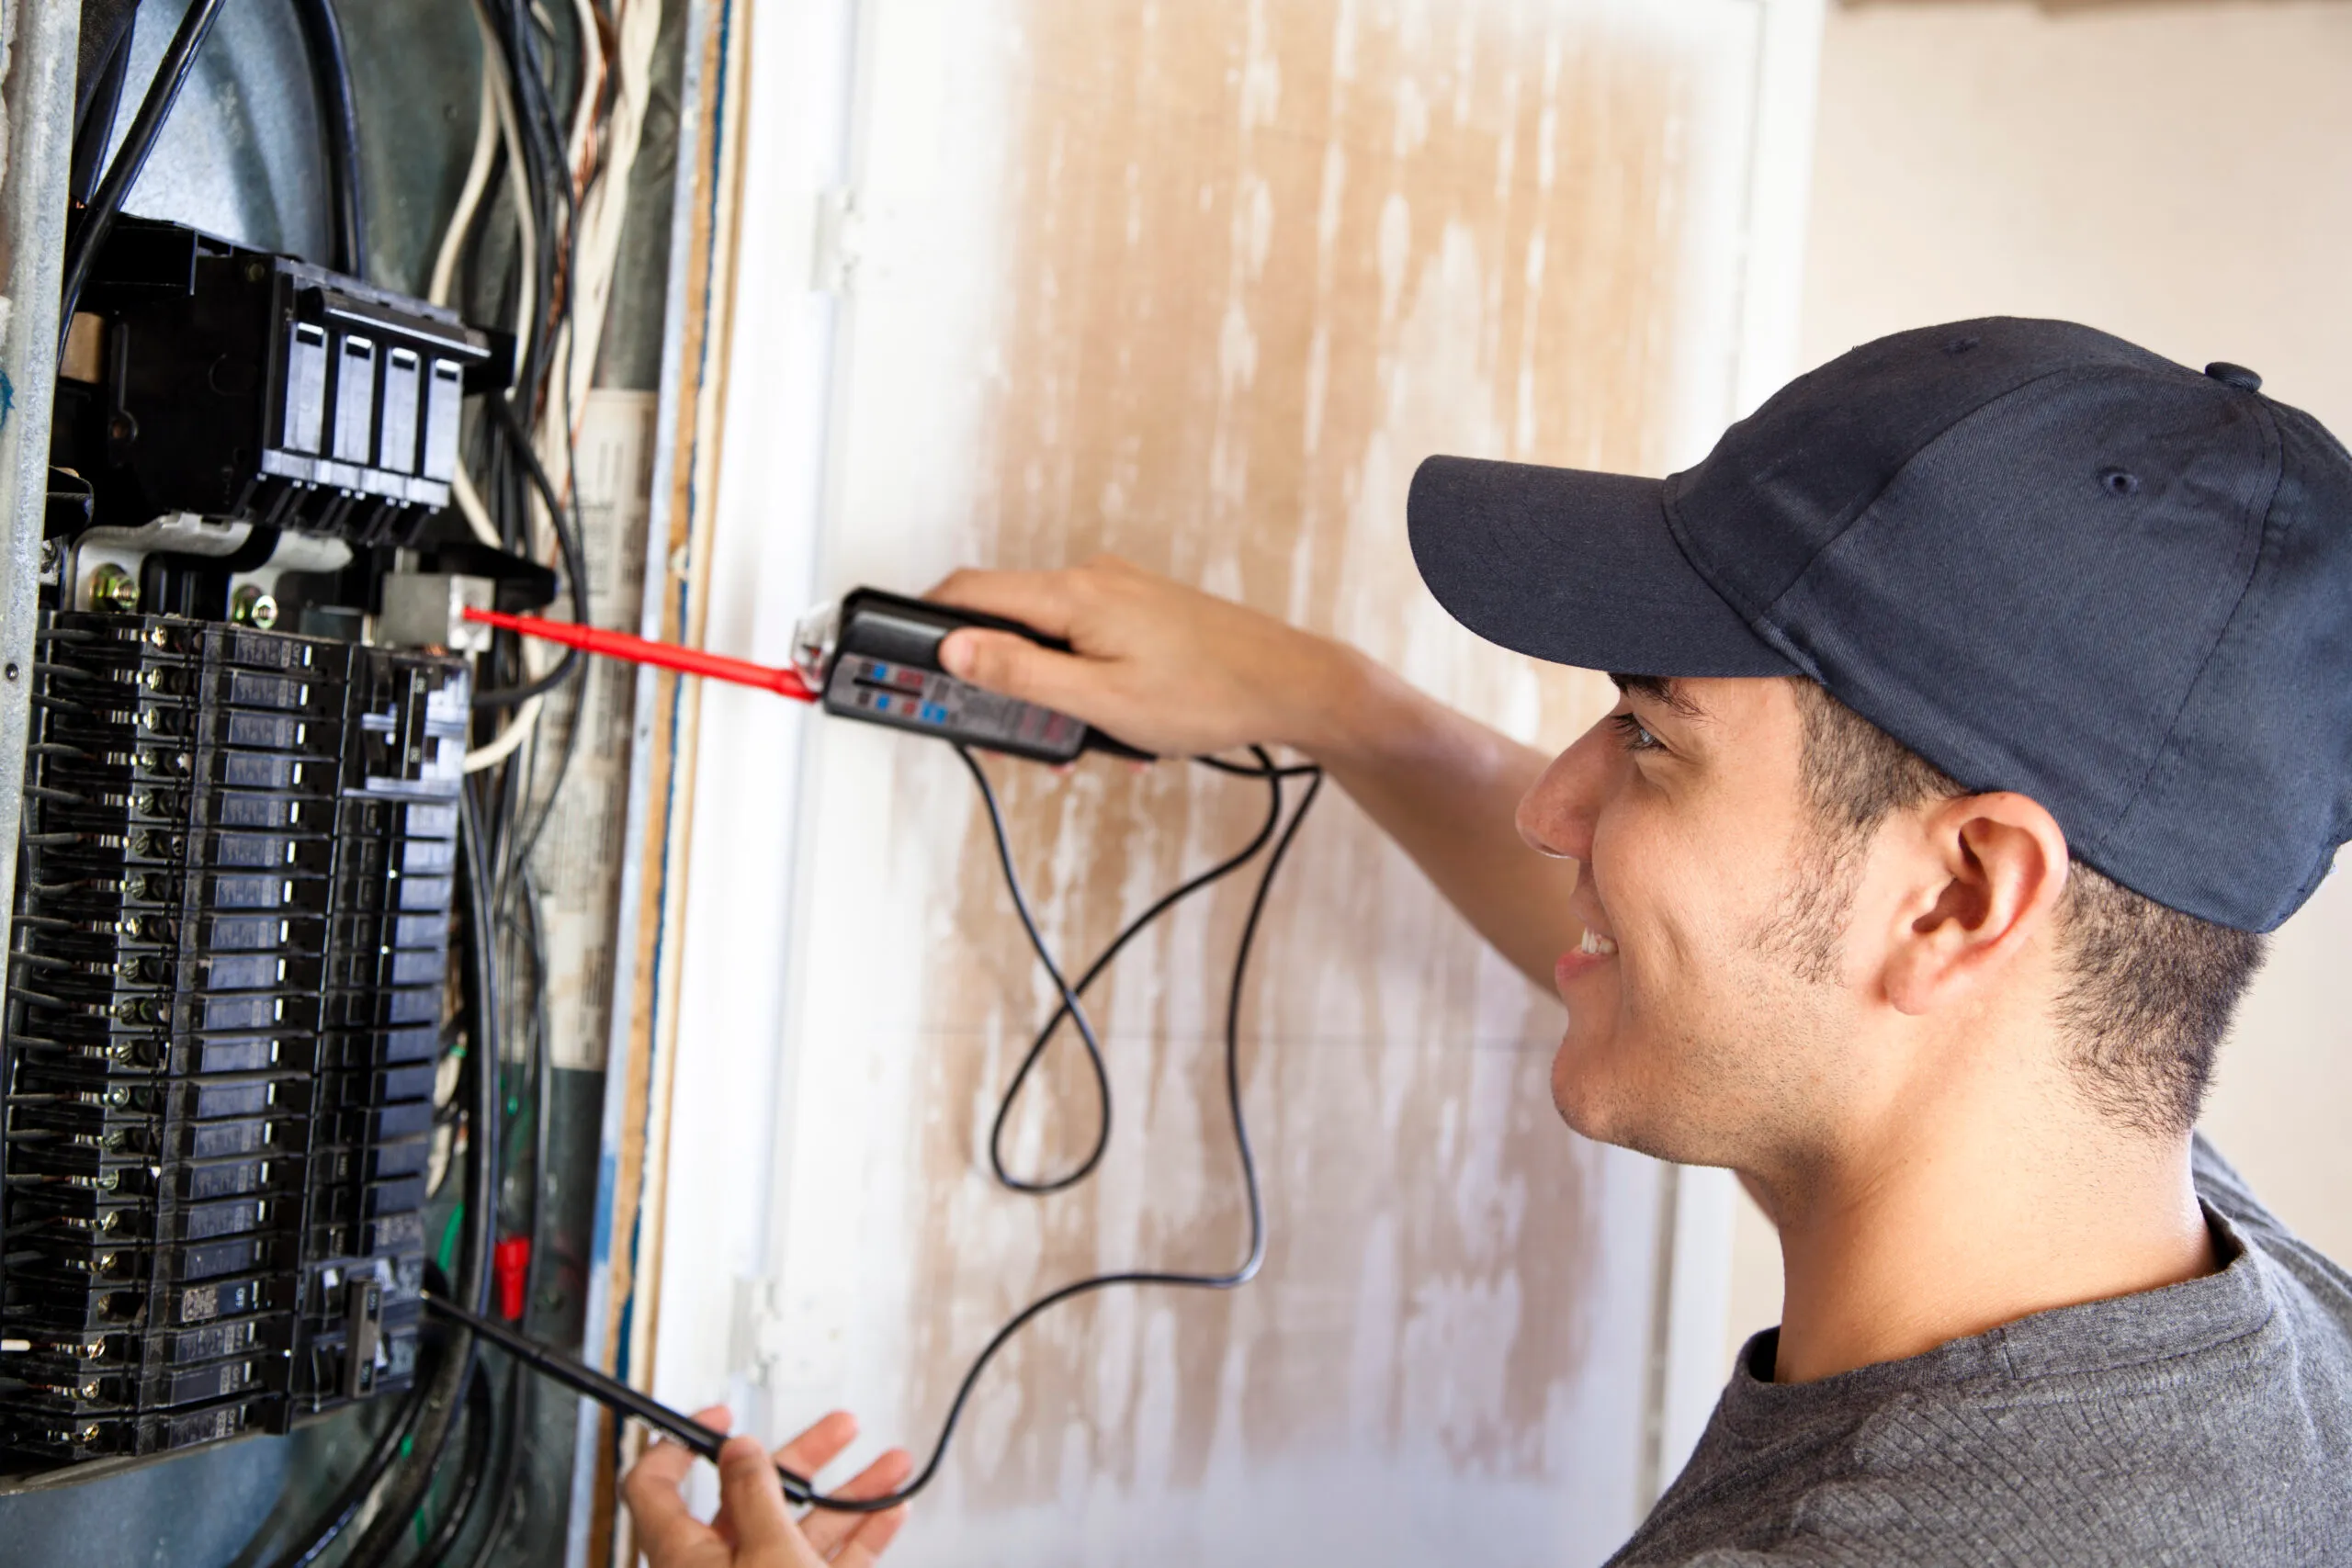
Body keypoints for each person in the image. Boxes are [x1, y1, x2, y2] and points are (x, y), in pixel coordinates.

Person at [623, 318, 2352, 1564]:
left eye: (1653, 737)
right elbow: (1774, 974)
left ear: (1964, 894)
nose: (1558, 804)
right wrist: (1332, 705)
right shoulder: (2233, 1304)